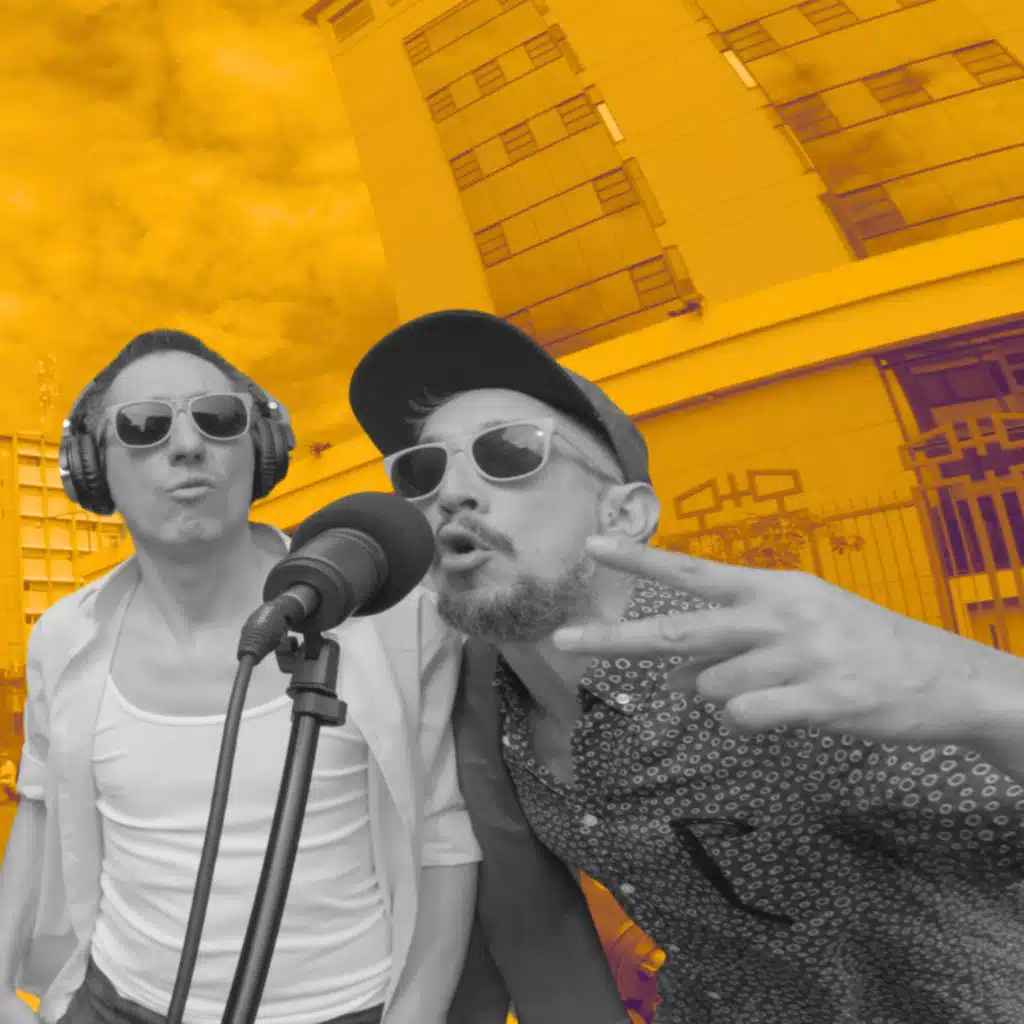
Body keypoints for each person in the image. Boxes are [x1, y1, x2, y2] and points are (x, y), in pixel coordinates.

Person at [348, 309, 1024, 1024]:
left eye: (509, 452)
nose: (450, 494)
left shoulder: (767, 673)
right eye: (421, 470)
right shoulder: (491, 715)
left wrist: (989, 697)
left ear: (623, 515)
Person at [0, 329, 481, 1024]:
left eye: (218, 418)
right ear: (92, 469)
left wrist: (416, 1016)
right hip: (111, 1001)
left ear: (261, 448)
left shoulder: (395, 620)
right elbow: (40, 805)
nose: (187, 445)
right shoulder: (63, 637)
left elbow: (443, 834)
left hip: (345, 1010)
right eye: (144, 426)